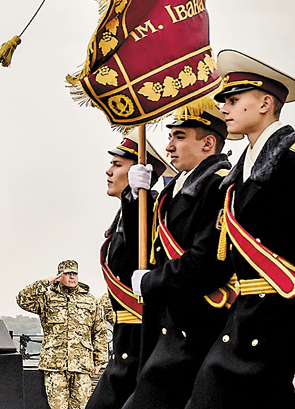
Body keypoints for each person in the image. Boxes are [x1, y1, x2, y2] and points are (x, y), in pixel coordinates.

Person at [184, 50, 295, 408]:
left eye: (233, 100)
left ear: (266, 103)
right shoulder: (236, 180)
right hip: (240, 329)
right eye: (224, 101)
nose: (224, 109)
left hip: (287, 339)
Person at [121, 99, 237, 409]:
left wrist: (151, 283)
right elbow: (142, 252)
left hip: (197, 329)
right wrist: (133, 199)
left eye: (180, 136)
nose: (168, 146)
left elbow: (208, 260)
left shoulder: (219, 185)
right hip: (166, 328)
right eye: (170, 136)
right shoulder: (175, 190)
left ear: (208, 143)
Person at [86, 129, 172, 409]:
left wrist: (137, 200)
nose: (108, 171)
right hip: (125, 339)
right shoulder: (123, 217)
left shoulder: (151, 211)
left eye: (118, 165)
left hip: (142, 340)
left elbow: (144, 251)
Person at [17, 260, 108, 409]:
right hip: (55, 366)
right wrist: (47, 282)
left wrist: (99, 361)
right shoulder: (47, 298)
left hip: (82, 366)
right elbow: (22, 299)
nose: (72, 277)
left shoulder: (90, 300)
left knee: (82, 407)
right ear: (59, 276)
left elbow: (99, 331)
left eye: (74, 274)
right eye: (67, 273)